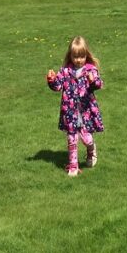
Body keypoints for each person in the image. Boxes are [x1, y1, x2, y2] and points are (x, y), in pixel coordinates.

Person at [46, 36, 104, 177]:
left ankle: (91, 151)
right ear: (70, 56)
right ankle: (73, 166)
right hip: (70, 112)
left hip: (85, 111)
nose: (78, 60)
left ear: (86, 55)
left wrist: (93, 81)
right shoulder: (65, 71)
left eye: (81, 56)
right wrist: (52, 80)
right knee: (72, 138)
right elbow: (58, 86)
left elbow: (98, 84)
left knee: (86, 138)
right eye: (75, 56)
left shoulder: (90, 70)